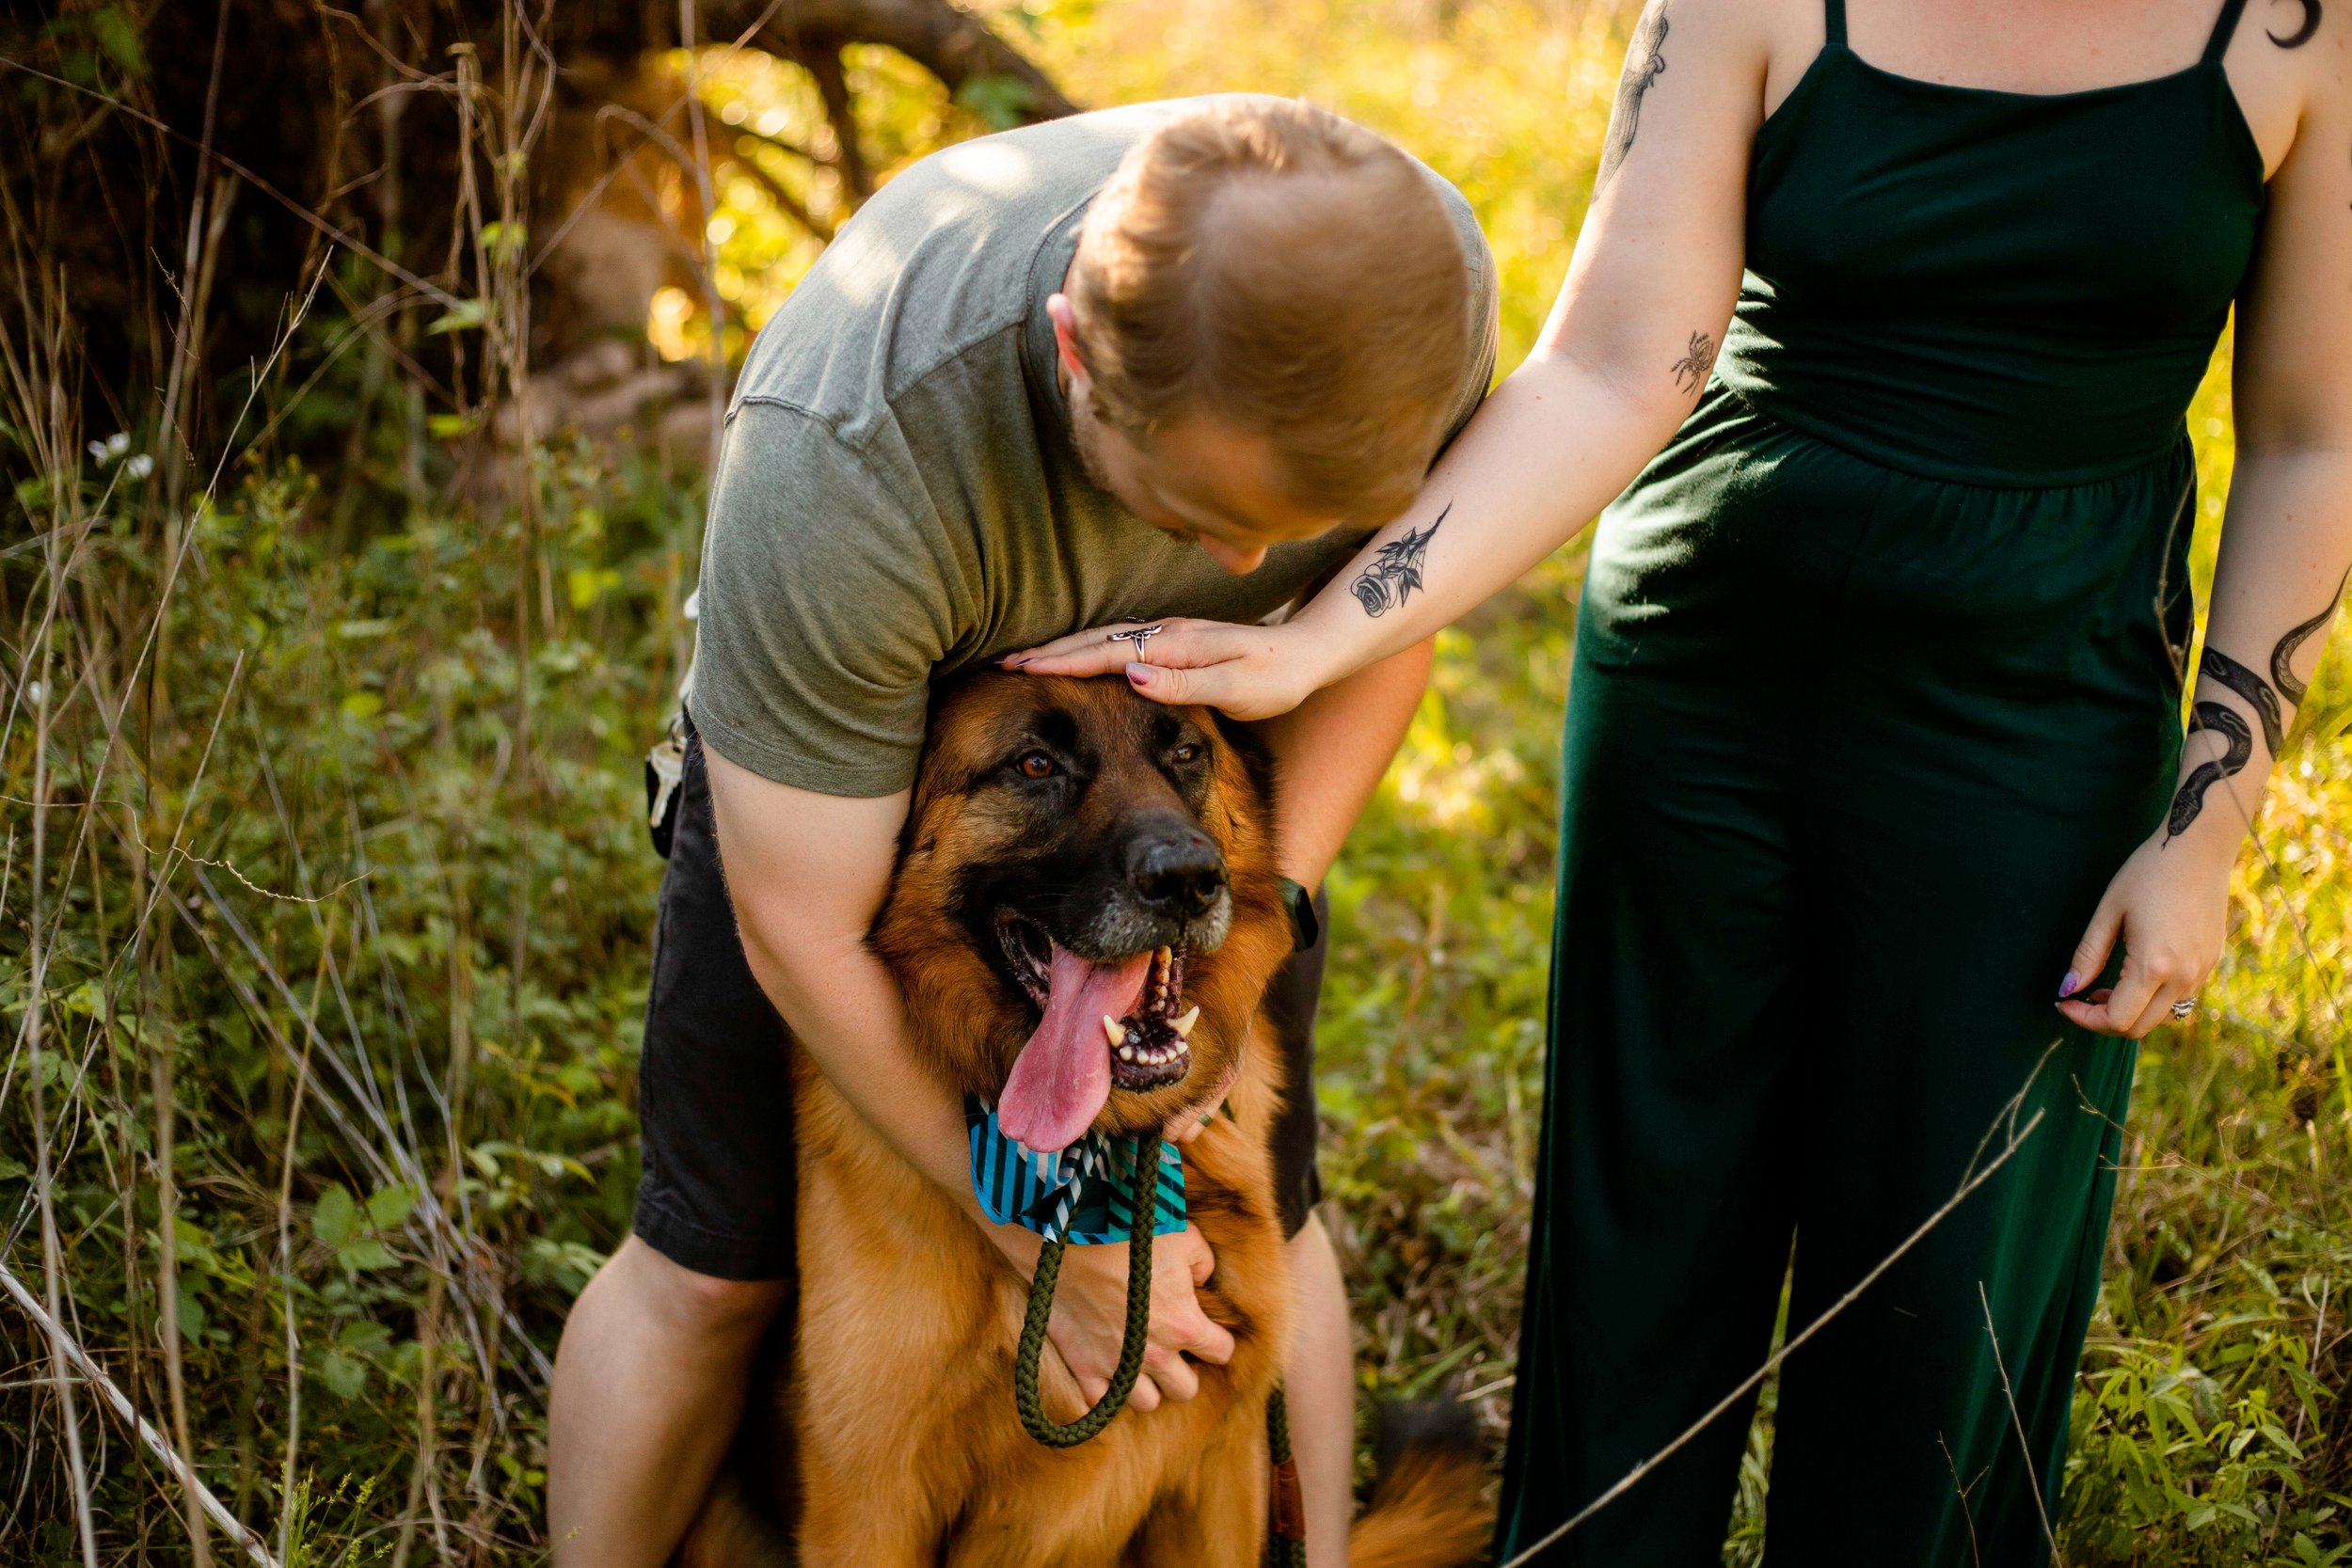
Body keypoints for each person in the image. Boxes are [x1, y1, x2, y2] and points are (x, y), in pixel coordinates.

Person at [1009, 0, 2352, 1560]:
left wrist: (2208, 827)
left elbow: (2316, 443)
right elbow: (1610, 365)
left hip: (2040, 723)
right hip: (1702, 693)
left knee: (1942, 1311)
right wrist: (1320, 639)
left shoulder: (2298, 32)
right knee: (1640, 1273)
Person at [546, 95, 1499, 1567]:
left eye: (1288, 527)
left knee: (1276, 1233)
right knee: (710, 1264)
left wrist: (1265, 902)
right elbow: (799, 924)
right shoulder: (846, 454)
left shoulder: (1401, 307)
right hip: (835, 789)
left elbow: (1396, 622)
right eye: (1204, 511)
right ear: (1076, 362)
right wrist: (1039, 1230)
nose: (1250, 567)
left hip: (1207, 770)